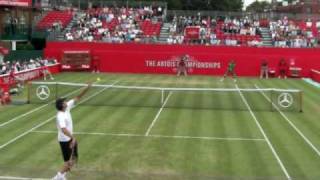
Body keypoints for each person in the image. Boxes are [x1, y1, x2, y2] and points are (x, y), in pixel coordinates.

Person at [52, 83, 91, 180]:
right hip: (65, 140)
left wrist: (87, 88)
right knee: (67, 162)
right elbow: (64, 130)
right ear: (62, 105)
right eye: (64, 101)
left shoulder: (67, 107)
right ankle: (58, 177)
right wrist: (72, 138)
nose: (66, 101)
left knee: (74, 158)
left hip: (70, 139)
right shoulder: (60, 116)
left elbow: (77, 97)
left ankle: (61, 175)